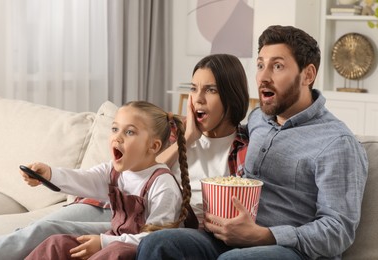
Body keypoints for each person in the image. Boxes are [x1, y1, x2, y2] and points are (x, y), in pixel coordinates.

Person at [136, 25, 368, 260]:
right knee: (158, 244)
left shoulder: (337, 142)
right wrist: (193, 133)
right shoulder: (259, 118)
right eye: (260, 65)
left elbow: (339, 231)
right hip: (231, 240)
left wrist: (265, 235)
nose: (264, 77)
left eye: (277, 66)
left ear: (307, 75)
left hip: (291, 251)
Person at [25, 101, 196, 259]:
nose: (118, 137)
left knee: (113, 251)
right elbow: (82, 179)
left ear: (153, 146)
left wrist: (103, 242)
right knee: (57, 243)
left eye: (129, 132)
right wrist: (48, 174)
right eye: (115, 129)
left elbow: (155, 240)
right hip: (114, 240)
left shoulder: (162, 185)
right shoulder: (112, 171)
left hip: (137, 250)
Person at [156, 53, 249, 223]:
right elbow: (142, 175)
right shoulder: (174, 130)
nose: (198, 99)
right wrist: (189, 137)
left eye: (211, 90)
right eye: (193, 89)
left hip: (202, 232)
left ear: (232, 96)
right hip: (156, 221)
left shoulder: (246, 146)